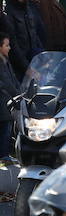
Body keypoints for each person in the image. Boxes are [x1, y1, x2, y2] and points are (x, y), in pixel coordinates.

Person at [0, 32, 16, 167]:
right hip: (3, 102)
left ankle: (5, 154)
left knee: (8, 128)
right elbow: (6, 83)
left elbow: (13, 80)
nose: (9, 48)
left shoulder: (6, 60)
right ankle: (4, 156)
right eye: (7, 45)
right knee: (6, 128)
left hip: (7, 100)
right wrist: (17, 94)